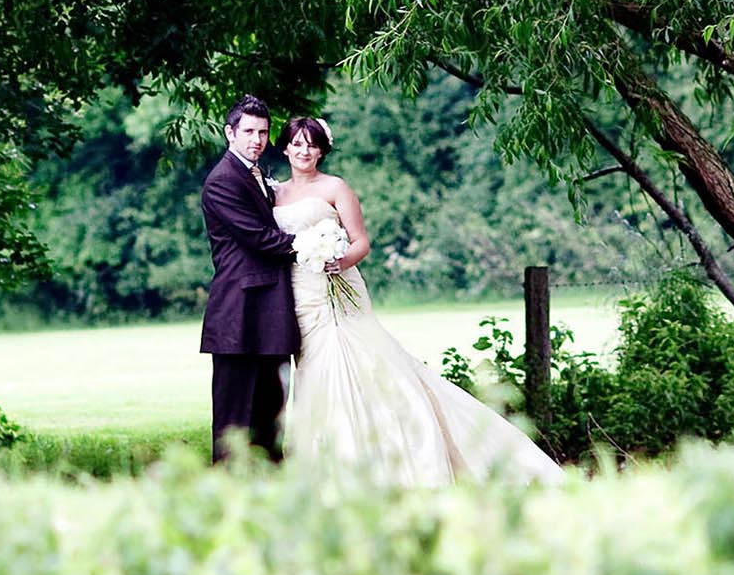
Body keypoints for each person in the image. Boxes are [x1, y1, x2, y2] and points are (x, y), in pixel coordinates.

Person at [273, 115, 563, 486]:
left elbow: (361, 242)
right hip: (300, 295)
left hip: (338, 292)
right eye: (297, 143)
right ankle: (325, 463)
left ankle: (389, 451)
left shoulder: (336, 188)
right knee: (312, 372)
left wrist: (337, 259)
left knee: (361, 364)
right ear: (285, 148)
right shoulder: (275, 193)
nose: (304, 150)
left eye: (311, 144)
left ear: (322, 150)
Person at [199, 95, 300, 463]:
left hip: (270, 312)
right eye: (248, 132)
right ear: (230, 133)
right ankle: (226, 496)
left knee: (271, 410)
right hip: (238, 314)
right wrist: (312, 244)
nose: (257, 139)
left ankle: (271, 490)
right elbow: (258, 237)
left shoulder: (256, 175)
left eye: (262, 132)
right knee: (233, 416)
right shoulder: (222, 180)